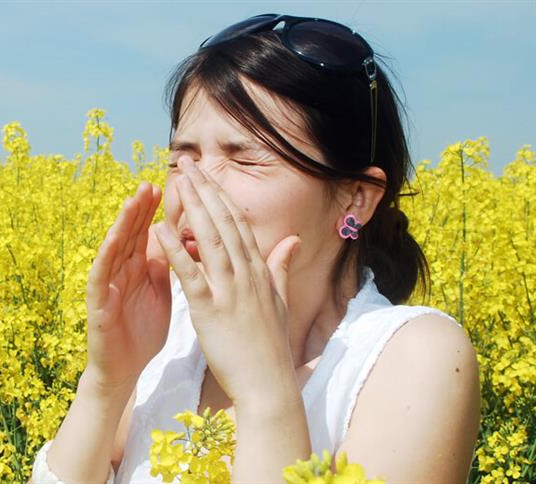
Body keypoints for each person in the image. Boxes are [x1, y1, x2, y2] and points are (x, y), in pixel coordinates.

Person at [30, 13, 480, 483]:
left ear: (356, 198)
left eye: (244, 157)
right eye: (181, 159)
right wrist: (108, 381)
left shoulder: (415, 358)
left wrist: (266, 395)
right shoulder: (174, 337)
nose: (194, 189)